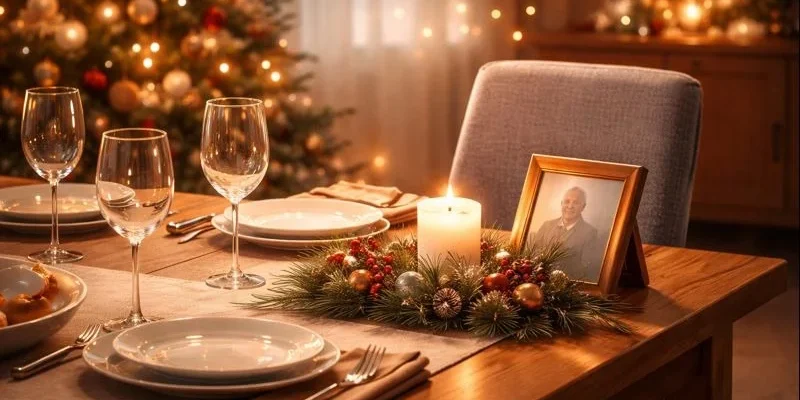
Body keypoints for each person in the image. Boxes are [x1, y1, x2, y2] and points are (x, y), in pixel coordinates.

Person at [531, 186, 600, 281]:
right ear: (561, 203)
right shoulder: (547, 225)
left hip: (566, 284)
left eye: (575, 202)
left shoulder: (590, 232)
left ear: (583, 207)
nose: (570, 206)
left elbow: (585, 267)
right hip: (539, 279)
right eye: (567, 201)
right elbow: (533, 253)